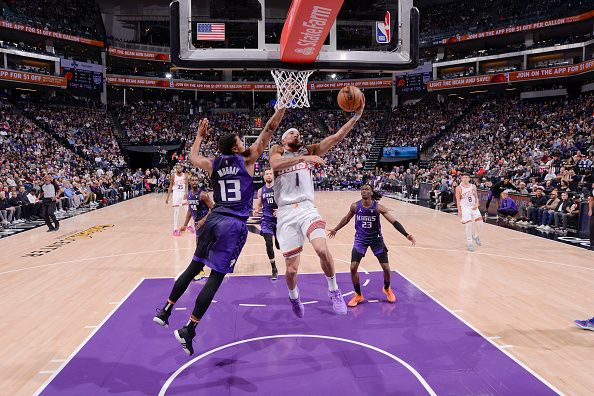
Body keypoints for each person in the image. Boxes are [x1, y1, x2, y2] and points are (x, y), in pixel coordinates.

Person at [153, 107, 286, 356]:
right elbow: (269, 130)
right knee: (215, 278)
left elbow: (193, 157)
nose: (245, 142)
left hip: (213, 219)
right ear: (236, 149)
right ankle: (188, 330)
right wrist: (282, 108)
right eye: (241, 141)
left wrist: (200, 136)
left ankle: (165, 311)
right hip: (233, 224)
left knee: (194, 267)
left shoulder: (213, 164)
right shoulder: (248, 160)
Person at [269, 96, 365, 318]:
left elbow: (336, 137)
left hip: (306, 209)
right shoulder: (277, 152)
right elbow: (275, 164)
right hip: (285, 214)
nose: (297, 135)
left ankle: (334, 291)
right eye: (292, 133)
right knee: (292, 270)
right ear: (283, 140)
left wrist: (356, 116)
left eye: (298, 133)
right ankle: (294, 296)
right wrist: (305, 159)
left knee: (322, 249)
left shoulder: (310, 150)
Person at [328, 184, 416, 307]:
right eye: (362, 189)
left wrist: (406, 235)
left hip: (376, 240)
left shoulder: (378, 208)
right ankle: (358, 294)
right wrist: (336, 229)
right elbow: (346, 219)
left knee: (386, 268)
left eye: (367, 189)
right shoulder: (355, 206)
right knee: (353, 267)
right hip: (360, 239)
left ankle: (386, 288)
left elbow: (394, 222)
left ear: (371, 193)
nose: (364, 191)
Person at [179, 174, 214, 281]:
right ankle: (205, 267)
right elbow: (190, 210)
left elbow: (213, 208)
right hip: (197, 224)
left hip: (205, 224)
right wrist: (185, 225)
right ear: (190, 182)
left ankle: (201, 270)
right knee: (202, 247)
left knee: (200, 248)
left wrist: (203, 220)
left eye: (196, 180)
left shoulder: (203, 195)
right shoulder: (189, 194)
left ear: (199, 182)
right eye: (192, 180)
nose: (194, 182)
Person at [250, 169, 280, 280]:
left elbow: (285, 202)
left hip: (279, 220)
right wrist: (256, 210)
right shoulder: (260, 190)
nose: (268, 175)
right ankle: (274, 268)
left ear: (273, 175)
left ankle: (278, 238)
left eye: (270, 173)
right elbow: (259, 204)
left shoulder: (278, 188)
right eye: (266, 173)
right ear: (263, 176)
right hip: (266, 220)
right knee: (268, 243)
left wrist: (280, 209)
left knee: (279, 245)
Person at [455, 173, 483, 252]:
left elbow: (476, 196)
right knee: (469, 224)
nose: (465, 179)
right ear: (461, 179)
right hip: (465, 208)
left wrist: (477, 204)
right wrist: (459, 210)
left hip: (473, 207)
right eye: (463, 177)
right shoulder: (458, 188)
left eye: (467, 177)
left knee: (480, 223)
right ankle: (469, 242)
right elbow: (458, 200)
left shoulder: (473, 186)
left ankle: (476, 235)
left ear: (469, 178)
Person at [165, 164, 188, 236]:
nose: (178, 169)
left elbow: (187, 186)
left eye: (179, 168)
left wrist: (186, 194)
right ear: (176, 169)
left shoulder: (185, 175)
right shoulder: (173, 176)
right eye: (177, 168)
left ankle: (188, 226)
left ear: (182, 168)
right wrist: (167, 197)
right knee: (176, 212)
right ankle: (175, 229)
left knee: (187, 210)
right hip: (176, 193)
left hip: (183, 193)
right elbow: (170, 186)